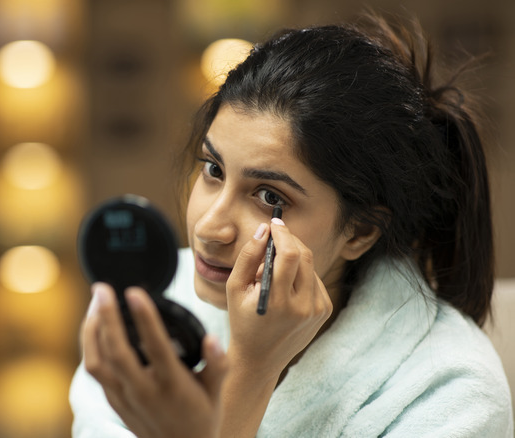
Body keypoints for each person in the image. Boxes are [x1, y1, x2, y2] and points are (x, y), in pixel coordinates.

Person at [69, 12, 513, 437]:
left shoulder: (448, 395)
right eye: (213, 169)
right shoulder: (149, 307)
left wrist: (252, 368)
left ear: (360, 232)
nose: (209, 227)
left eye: (269, 197)